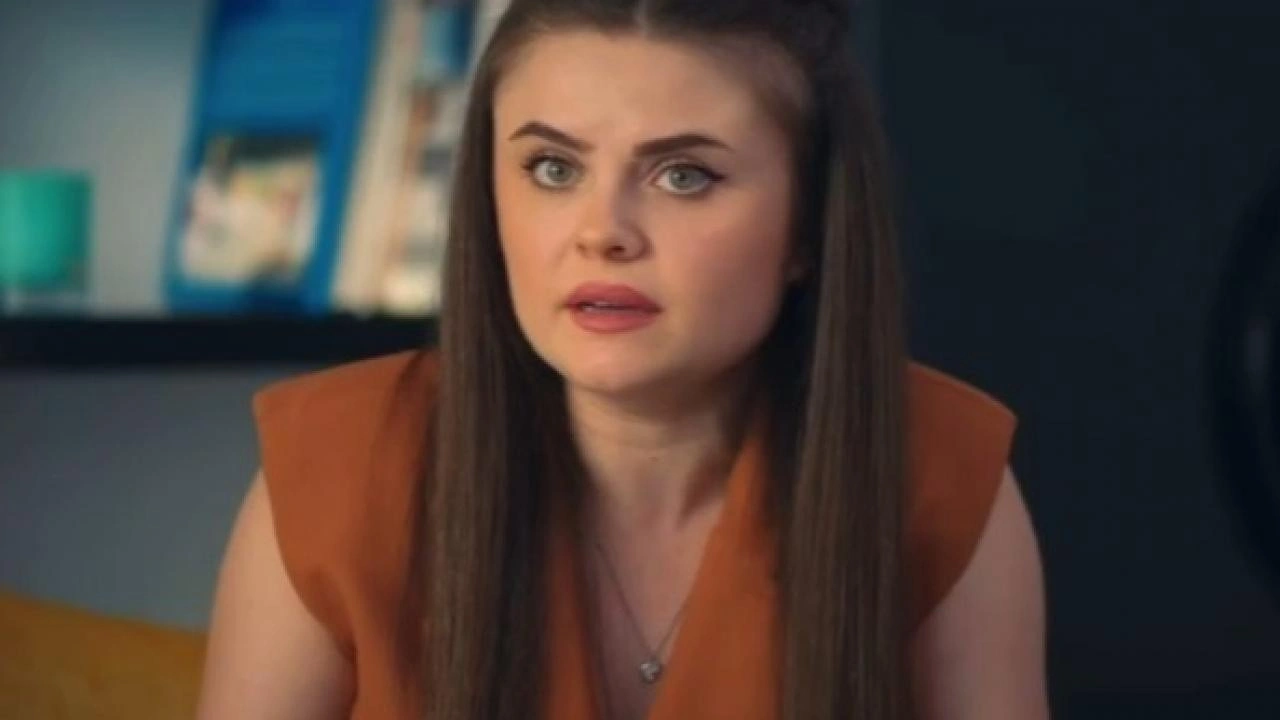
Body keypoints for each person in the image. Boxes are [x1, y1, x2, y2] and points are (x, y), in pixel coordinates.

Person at [196, 1, 1048, 718]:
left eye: (684, 176)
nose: (602, 231)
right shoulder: (336, 468)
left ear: (808, 227)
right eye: (552, 167)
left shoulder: (938, 472)